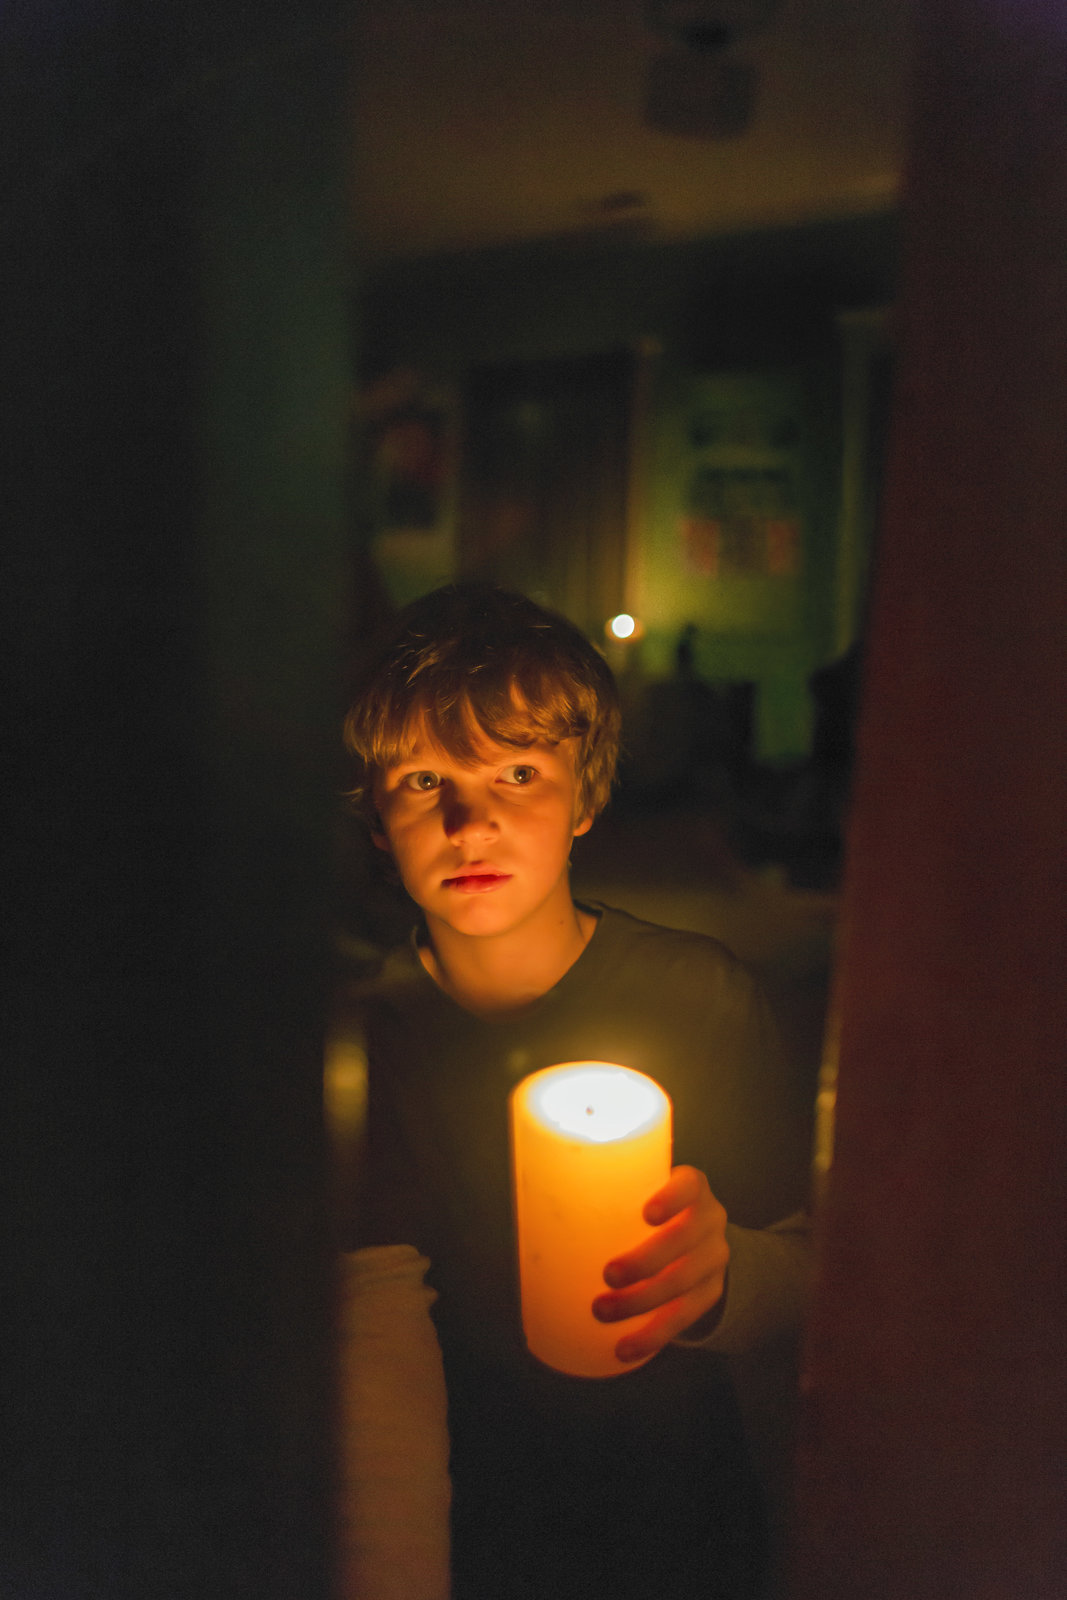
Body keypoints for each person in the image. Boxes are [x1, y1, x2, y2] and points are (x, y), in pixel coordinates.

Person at [336, 583, 813, 1600]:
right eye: (423, 779)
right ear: (377, 816)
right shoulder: (362, 1038)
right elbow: (374, 1334)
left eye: (518, 772)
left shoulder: (697, 995)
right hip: (478, 1519)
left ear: (585, 799)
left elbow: (809, 1262)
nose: (469, 821)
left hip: (678, 1516)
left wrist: (723, 1276)